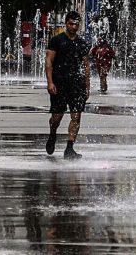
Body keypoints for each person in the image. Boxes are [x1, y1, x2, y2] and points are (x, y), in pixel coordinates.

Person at [45, 11, 91, 160]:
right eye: (71, 23)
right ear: (66, 23)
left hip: (76, 84)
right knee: (57, 117)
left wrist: (87, 86)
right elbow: (49, 62)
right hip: (59, 83)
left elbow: (86, 66)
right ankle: (52, 134)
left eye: (76, 24)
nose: (74, 26)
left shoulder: (83, 43)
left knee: (76, 116)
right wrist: (50, 82)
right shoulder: (57, 41)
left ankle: (69, 148)